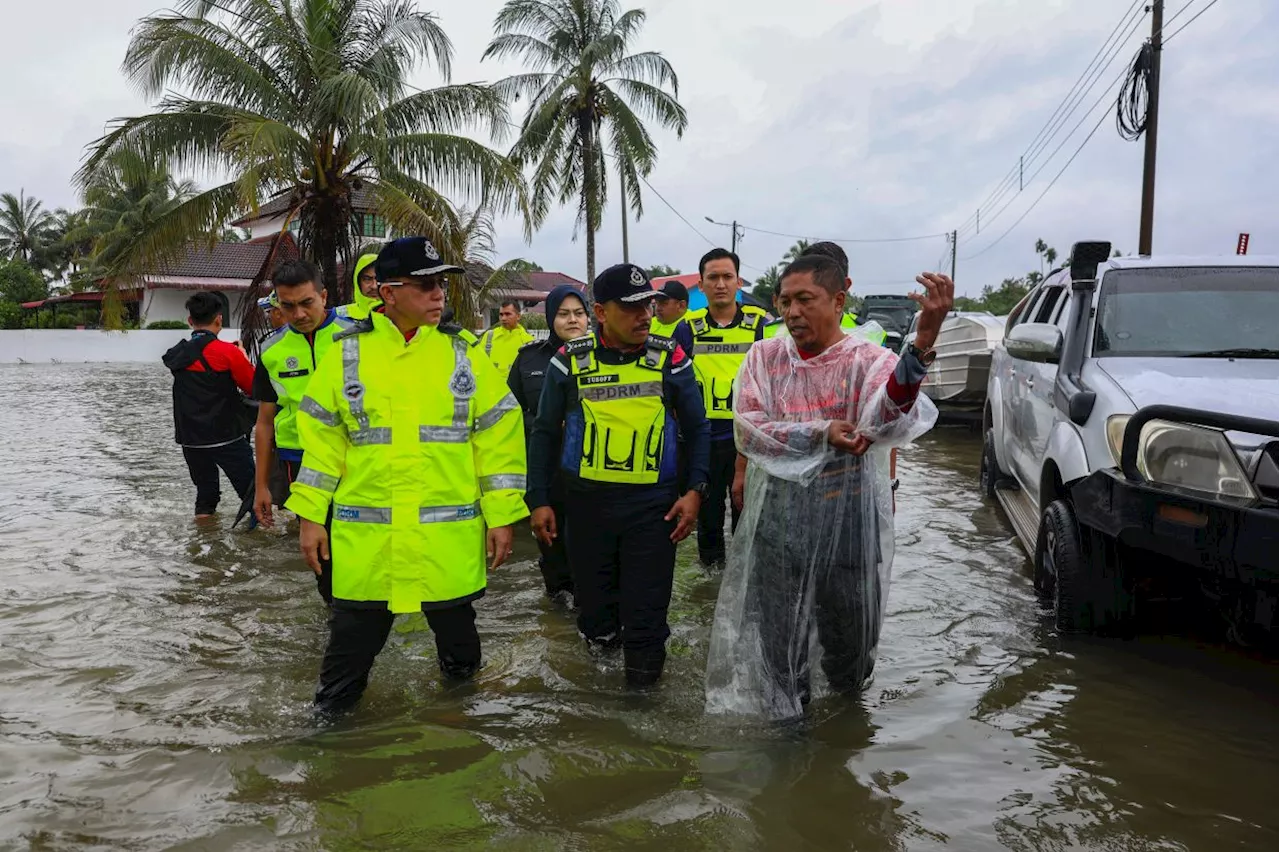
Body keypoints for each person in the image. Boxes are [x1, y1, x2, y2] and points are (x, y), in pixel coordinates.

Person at [285, 236, 528, 713]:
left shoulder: (464, 354)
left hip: (446, 542)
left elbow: (498, 436)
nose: (439, 294)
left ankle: (459, 737)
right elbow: (322, 443)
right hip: (368, 546)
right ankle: (328, 760)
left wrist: (502, 516)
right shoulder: (346, 354)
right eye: (425, 285)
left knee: (460, 661)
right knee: (344, 669)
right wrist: (311, 518)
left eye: (441, 284)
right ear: (387, 292)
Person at [705, 255, 951, 721]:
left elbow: (885, 420)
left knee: (850, 650)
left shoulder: (868, 360)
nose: (792, 312)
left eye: (805, 300)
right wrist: (819, 433)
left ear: (838, 301)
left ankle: (845, 739)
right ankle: (790, 748)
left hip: (849, 519)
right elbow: (749, 429)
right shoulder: (764, 357)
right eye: (785, 301)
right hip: (778, 518)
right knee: (779, 651)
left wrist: (921, 344)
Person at [527, 264, 711, 687]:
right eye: (631, 307)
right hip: (586, 511)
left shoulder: (671, 357)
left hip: (654, 511)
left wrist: (696, 491)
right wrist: (538, 499)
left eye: (648, 304)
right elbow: (543, 434)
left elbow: (698, 428)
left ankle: (642, 714)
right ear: (601, 312)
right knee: (596, 621)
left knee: (646, 623)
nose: (645, 314)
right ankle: (598, 712)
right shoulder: (568, 361)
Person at [251, 261, 354, 600]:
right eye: (287, 305)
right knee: (319, 549)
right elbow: (265, 423)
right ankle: (334, 617)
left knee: (363, 540)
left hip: (359, 458)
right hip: (301, 463)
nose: (298, 314)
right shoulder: (271, 351)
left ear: (324, 296)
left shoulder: (358, 336)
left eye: (307, 302)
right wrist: (261, 487)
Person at [676, 248, 768, 567]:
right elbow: (673, 385)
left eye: (727, 277)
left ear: (739, 282)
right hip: (703, 440)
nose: (720, 284)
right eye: (712, 277)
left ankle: (742, 581)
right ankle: (710, 585)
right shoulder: (686, 328)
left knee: (747, 515)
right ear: (700, 285)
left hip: (747, 440)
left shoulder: (760, 325)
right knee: (708, 518)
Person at [508, 285, 590, 604]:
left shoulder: (605, 358)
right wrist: (547, 422)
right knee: (552, 550)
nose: (572, 320)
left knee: (590, 554)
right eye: (564, 314)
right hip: (545, 469)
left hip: (590, 473)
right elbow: (509, 412)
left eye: (579, 313)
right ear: (550, 317)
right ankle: (555, 628)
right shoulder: (529, 359)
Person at [162, 291, 257, 519]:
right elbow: (255, 388)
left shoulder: (178, 353)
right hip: (226, 437)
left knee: (206, 496)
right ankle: (260, 539)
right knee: (252, 492)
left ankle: (202, 543)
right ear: (219, 319)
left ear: (190, 321)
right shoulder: (228, 353)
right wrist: (243, 357)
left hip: (190, 439)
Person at [481, 299, 534, 379]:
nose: (503, 318)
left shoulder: (528, 341)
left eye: (508, 314)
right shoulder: (489, 336)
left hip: (514, 390)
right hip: (490, 387)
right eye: (501, 314)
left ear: (518, 316)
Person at [337, 252, 382, 321]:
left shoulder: (400, 315)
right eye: (367, 279)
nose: (374, 286)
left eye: (379, 279)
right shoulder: (339, 315)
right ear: (357, 282)